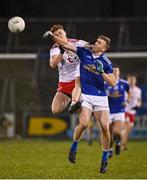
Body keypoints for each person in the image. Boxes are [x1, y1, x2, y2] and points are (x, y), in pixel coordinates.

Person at [50, 32, 116, 173]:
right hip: (85, 95)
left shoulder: (106, 62)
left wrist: (102, 72)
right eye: (96, 41)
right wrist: (52, 36)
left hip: (100, 98)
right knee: (84, 124)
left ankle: (104, 159)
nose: (95, 43)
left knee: (105, 128)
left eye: (99, 43)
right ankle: (74, 147)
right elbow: (66, 44)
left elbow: (113, 82)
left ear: (104, 49)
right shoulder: (84, 52)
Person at [45, 24, 88, 114]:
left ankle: (76, 101)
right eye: (56, 35)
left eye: (60, 33)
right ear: (54, 38)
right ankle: (75, 101)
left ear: (65, 33)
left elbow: (91, 48)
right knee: (55, 110)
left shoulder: (77, 43)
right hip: (64, 82)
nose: (59, 36)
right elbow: (53, 64)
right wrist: (61, 52)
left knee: (82, 112)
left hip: (79, 80)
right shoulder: (55, 49)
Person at [105, 64, 130, 158]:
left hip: (120, 111)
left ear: (119, 72)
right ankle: (110, 149)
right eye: (113, 70)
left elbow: (129, 93)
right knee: (109, 134)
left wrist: (127, 101)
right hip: (108, 111)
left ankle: (118, 142)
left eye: (116, 70)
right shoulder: (106, 84)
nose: (114, 72)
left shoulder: (124, 83)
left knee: (117, 132)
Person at [121, 74, 142, 150]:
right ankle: (122, 144)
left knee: (128, 130)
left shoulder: (138, 90)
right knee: (126, 127)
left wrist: (138, 105)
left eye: (133, 80)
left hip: (132, 112)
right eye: (130, 80)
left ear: (135, 81)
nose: (132, 81)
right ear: (127, 80)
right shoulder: (124, 89)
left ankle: (122, 144)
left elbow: (139, 100)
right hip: (125, 110)